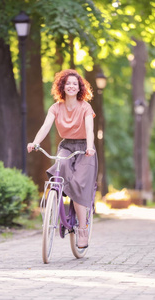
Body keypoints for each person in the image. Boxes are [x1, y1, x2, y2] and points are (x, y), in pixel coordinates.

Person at [27, 69, 98, 249]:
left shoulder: (85, 107)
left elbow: (89, 129)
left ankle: (82, 229)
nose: (71, 86)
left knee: (79, 184)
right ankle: (57, 204)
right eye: (68, 83)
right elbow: (45, 127)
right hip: (66, 146)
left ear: (79, 87)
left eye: (75, 83)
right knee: (61, 166)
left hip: (84, 148)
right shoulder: (56, 107)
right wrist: (35, 142)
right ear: (62, 87)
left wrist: (90, 146)